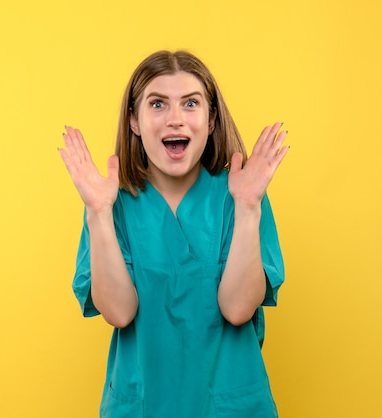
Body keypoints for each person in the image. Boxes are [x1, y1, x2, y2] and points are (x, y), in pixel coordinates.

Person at [58, 50, 289, 418]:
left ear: (211, 120)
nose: (175, 119)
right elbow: (118, 312)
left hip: (230, 407)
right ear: (134, 120)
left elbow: (238, 308)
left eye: (191, 104)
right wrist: (99, 214)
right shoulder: (111, 202)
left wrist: (247, 208)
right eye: (158, 104)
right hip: (143, 405)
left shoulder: (241, 195)